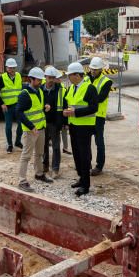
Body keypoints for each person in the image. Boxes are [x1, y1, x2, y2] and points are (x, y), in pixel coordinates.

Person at [62, 62, 99, 197]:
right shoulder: (71, 88)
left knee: (84, 155)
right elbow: (70, 105)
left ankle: (86, 185)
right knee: (77, 154)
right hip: (73, 126)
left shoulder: (89, 88)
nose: (68, 78)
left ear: (77, 75)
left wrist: (75, 113)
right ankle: (81, 178)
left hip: (85, 127)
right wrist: (67, 115)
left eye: (70, 75)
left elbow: (94, 108)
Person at [15, 67, 51, 191]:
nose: (40, 82)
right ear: (31, 79)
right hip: (30, 131)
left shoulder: (39, 91)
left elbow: (37, 108)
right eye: (38, 80)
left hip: (40, 128)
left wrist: (45, 107)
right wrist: (31, 126)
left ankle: (39, 174)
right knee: (26, 156)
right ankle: (22, 181)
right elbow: (19, 113)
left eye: (41, 80)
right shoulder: (24, 95)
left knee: (39, 153)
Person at [87, 57, 114, 177]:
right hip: (87, 115)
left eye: (96, 69)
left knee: (99, 142)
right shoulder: (86, 79)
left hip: (98, 116)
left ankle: (99, 166)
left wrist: (88, 98)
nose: (93, 71)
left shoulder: (106, 81)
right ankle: (87, 164)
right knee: (86, 142)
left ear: (101, 69)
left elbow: (101, 98)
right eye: (92, 69)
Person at [41, 66, 65, 178]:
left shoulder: (60, 90)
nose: (51, 80)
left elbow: (63, 107)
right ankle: (45, 166)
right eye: (49, 77)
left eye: (53, 78)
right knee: (44, 145)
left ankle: (55, 169)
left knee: (55, 146)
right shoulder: (40, 90)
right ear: (45, 77)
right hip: (43, 122)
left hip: (55, 123)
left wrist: (63, 123)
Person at [0, 58, 24, 153]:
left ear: (15, 67)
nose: (11, 69)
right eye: (9, 68)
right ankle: (9, 144)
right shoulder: (2, 78)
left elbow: (20, 89)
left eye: (13, 68)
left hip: (18, 105)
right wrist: (2, 103)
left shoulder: (19, 76)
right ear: (6, 68)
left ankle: (17, 141)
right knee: (8, 126)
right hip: (7, 106)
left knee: (21, 124)